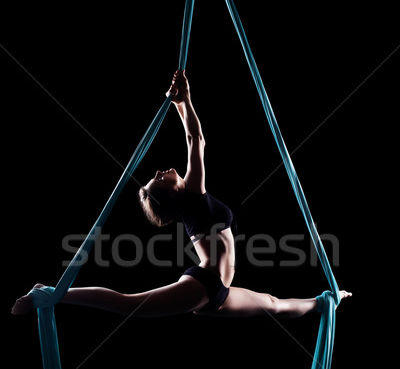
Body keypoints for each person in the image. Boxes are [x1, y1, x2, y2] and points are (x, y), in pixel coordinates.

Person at [12, 70, 351, 318]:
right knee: (130, 304)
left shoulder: (191, 201)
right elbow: (195, 140)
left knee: (276, 305)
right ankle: (51, 293)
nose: (160, 171)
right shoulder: (193, 195)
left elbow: (194, 141)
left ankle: (326, 301)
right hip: (204, 284)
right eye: (159, 179)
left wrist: (179, 101)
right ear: (172, 193)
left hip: (217, 291)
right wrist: (183, 102)